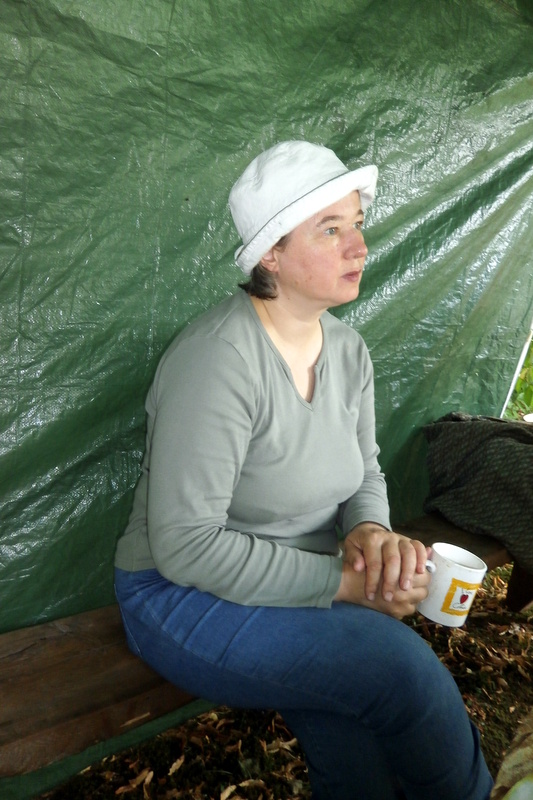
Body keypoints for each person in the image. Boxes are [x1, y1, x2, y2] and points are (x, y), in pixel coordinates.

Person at [114, 141, 494, 799]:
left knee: (356, 735)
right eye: (330, 229)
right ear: (271, 254)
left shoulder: (348, 350)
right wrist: (345, 584)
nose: (359, 247)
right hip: (179, 595)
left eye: (357, 224)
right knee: (399, 671)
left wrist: (370, 532)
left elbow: (364, 470)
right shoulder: (218, 360)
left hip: (299, 574)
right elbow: (187, 547)